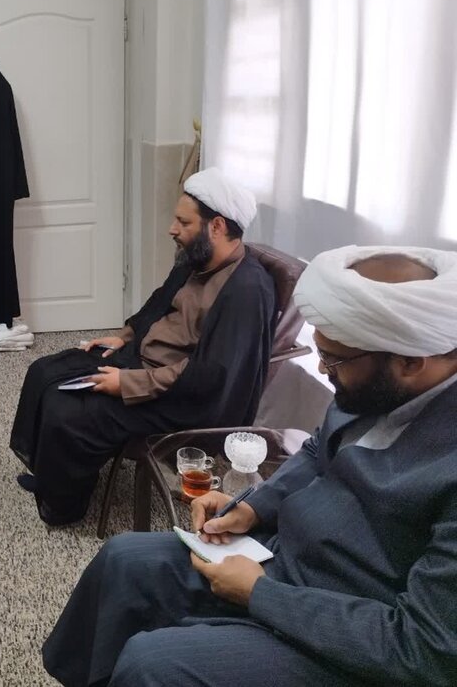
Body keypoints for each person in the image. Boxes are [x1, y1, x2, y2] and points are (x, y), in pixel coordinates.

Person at [42, 247, 457, 687]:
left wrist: (262, 595)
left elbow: (423, 649)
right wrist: (254, 507)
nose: (322, 368)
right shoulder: (377, 387)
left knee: (152, 665)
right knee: (124, 560)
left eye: (334, 359)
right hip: (284, 556)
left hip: (343, 629)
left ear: (411, 362)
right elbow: (317, 449)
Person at [10, 167, 274, 526]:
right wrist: (125, 336)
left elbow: (211, 377)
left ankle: (64, 508)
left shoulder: (246, 291)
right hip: (145, 362)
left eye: (183, 222)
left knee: (70, 412)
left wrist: (127, 383)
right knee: (45, 371)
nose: (172, 229)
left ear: (217, 226)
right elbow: (159, 302)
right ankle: (49, 476)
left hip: (185, 397)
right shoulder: (198, 259)